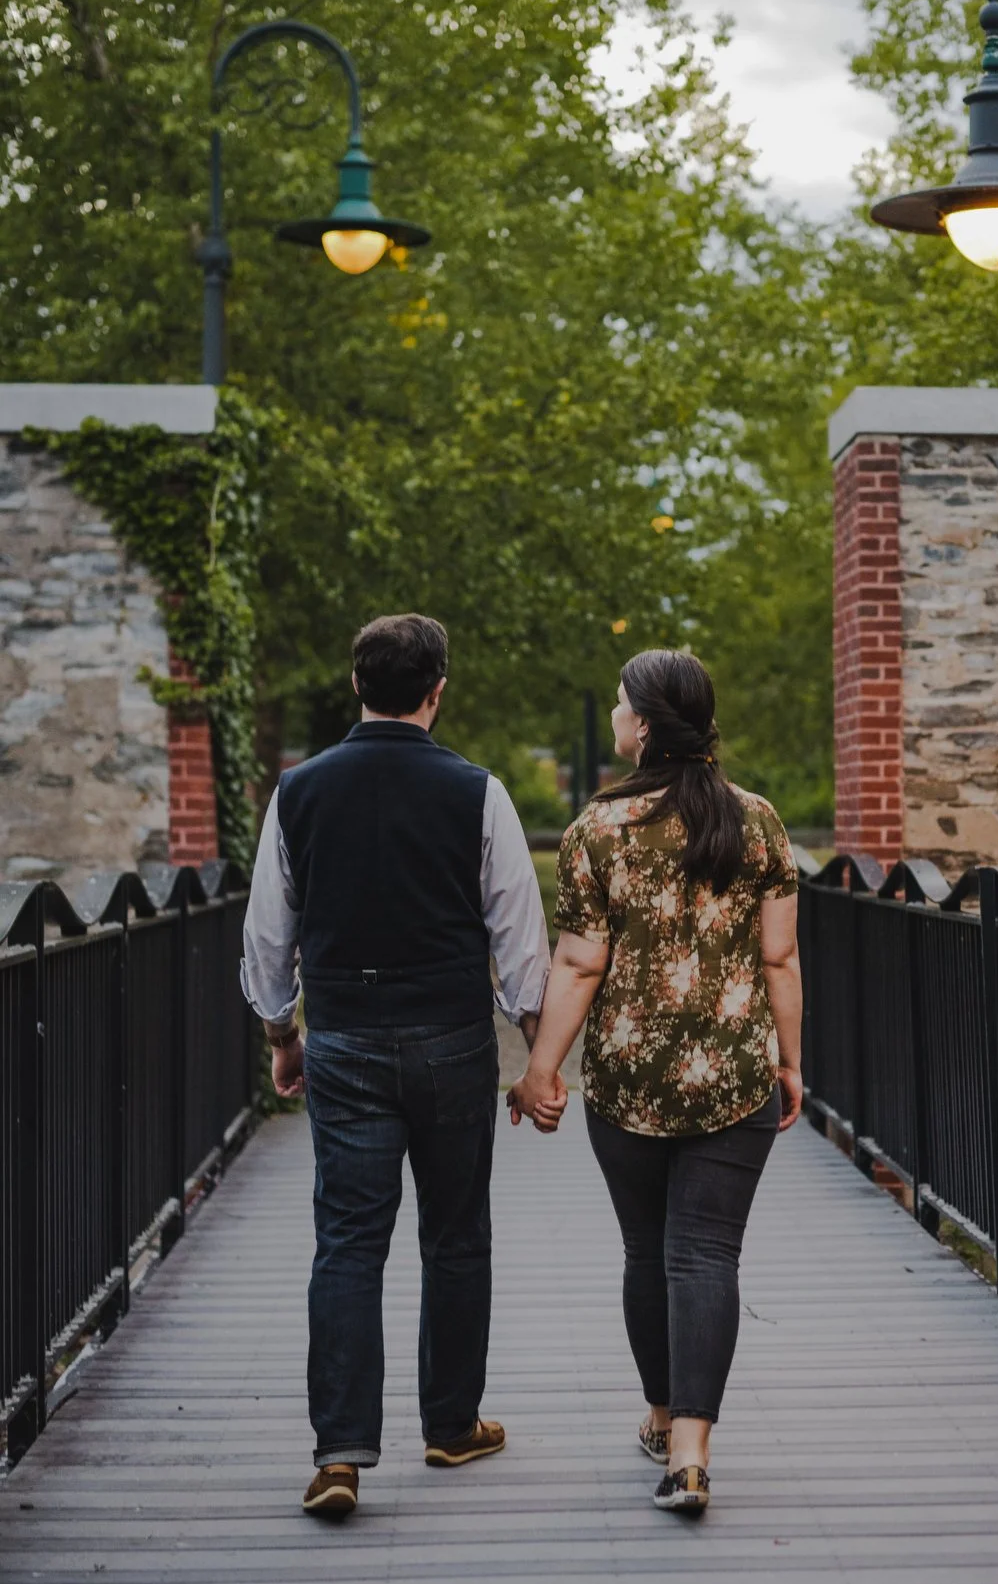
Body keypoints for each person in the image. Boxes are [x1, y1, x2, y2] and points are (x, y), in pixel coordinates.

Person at [240, 613, 560, 1518]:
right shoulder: (477, 792)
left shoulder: (297, 793)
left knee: (348, 1239)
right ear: (438, 688)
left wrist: (282, 1038)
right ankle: (451, 1424)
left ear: (355, 685)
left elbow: (270, 937)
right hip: (452, 1041)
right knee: (456, 1235)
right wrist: (537, 1056)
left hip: (341, 1037)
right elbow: (520, 944)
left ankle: (339, 1452)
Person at [508, 648, 803, 1514]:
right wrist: (789, 1061)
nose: (611, 713)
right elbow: (779, 956)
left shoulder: (597, 831)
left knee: (648, 1253)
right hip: (737, 1077)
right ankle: (691, 1455)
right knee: (706, 1255)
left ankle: (660, 1411)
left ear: (642, 724)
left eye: (617, 701)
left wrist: (540, 1070)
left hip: (631, 1082)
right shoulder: (760, 823)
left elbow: (579, 962)